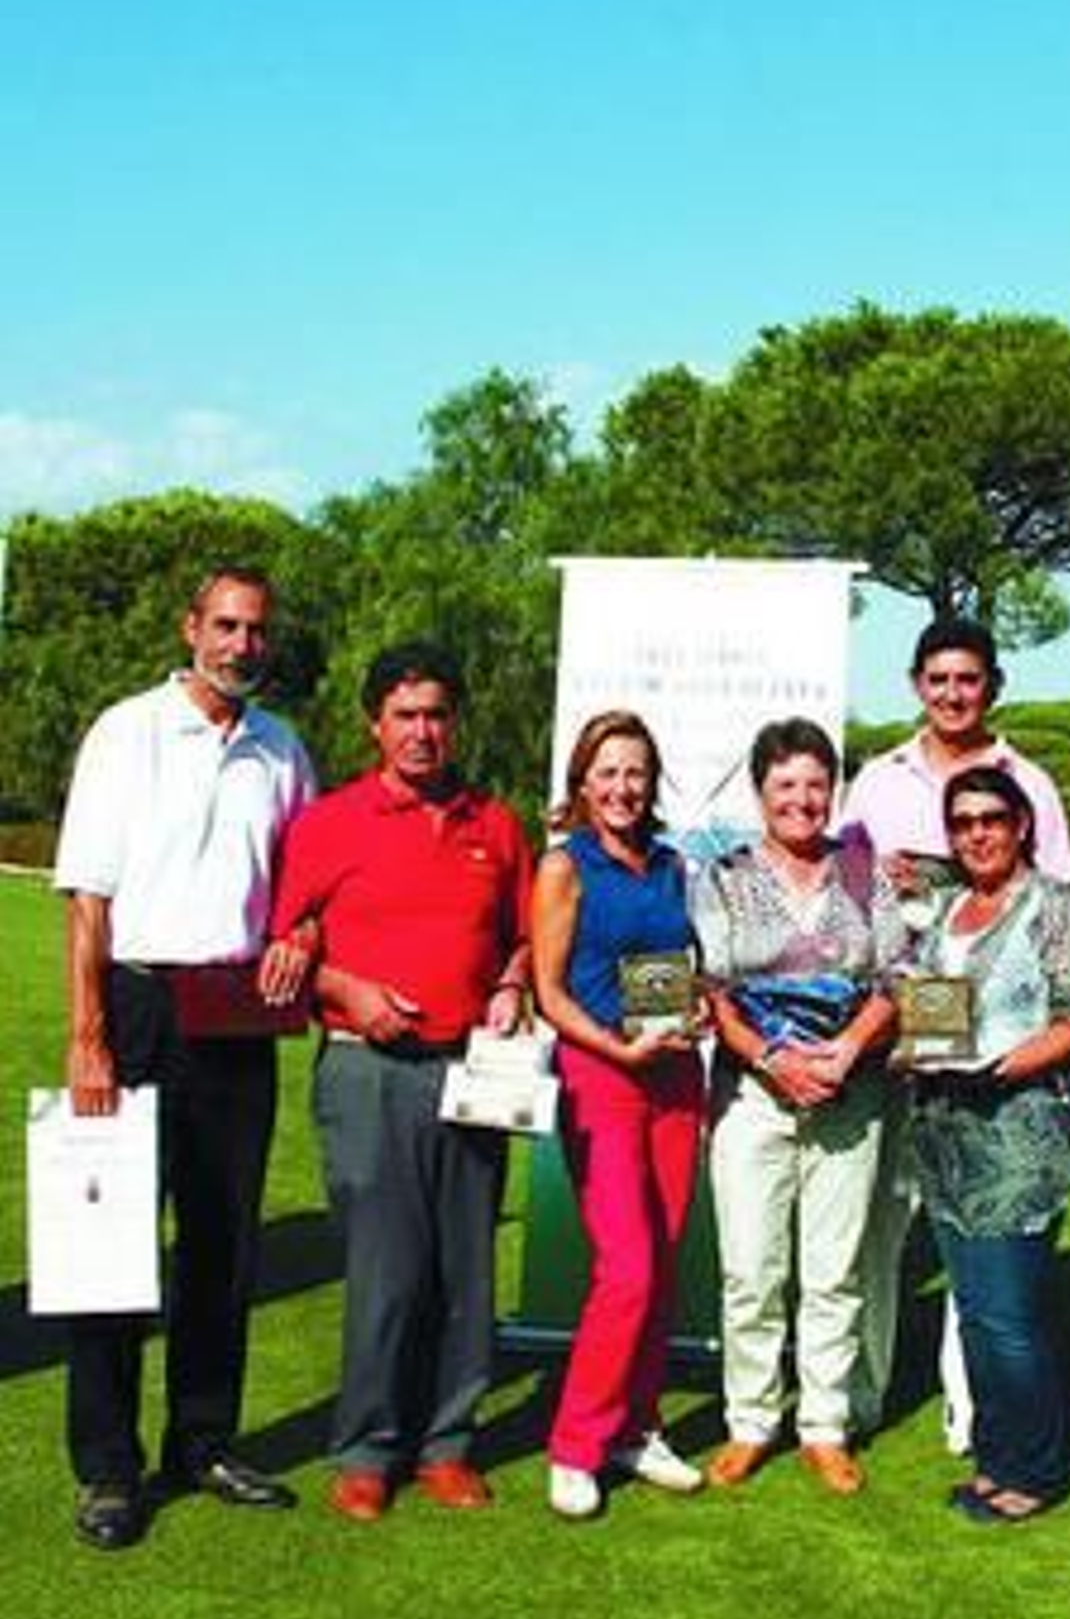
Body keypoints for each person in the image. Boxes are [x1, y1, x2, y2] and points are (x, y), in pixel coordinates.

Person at [53, 564, 317, 1550]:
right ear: (191, 628)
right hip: (137, 1004)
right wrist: (89, 1035)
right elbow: (87, 894)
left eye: (256, 630)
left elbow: (305, 887)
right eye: (225, 625)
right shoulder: (126, 731)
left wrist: (305, 930)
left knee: (223, 1242)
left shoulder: (283, 749)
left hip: (239, 1012)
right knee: (111, 1248)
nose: (241, 644)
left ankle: (201, 1440)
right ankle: (109, 1467)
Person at [269, 641, 533, 1522]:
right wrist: (345, 988)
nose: (423, 731)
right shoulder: (326, 822)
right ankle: (368, 1448)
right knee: (386, 1268)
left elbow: (525, 937)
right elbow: (285, 950)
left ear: (455, 722)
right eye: (405, 715)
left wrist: (509, 982)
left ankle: (447, 1444)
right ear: (373, 724)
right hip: (365, 1068)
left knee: (466, 1266)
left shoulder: (493, 823)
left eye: (436, 715)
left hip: (470, 1072)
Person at [841, 616, 1070, 1453]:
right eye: (937, 679)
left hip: (994, 1061)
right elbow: (845, 896)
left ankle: (973, 1411)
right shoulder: (874, 779)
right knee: (882, 1228)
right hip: (891, 1039)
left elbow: (1053, 906)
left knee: (976, 1234)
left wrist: (940, 877)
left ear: (993, 686)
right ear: (916, 685)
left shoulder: (1031, 783)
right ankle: (859, 1395)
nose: (952, 694)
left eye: (967, 679)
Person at [693, 718, 904, 1495]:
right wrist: (773, 1059)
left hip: (851, 1092)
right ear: (761, 793)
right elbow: (710, 988)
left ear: (833, 791)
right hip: (754, 1093)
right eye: (786, 785)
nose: (803, 800)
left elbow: (895, 980)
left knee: (834, 1268)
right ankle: (750, 1420)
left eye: (817, 784)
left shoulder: (864, 873)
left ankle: (823, 1424)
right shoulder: (722, 878)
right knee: (751, 1268)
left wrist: (845, 1052)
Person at [905, 767, 1070, 1523]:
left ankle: (1039, 1464)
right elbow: (924, 1001)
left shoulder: (1058, 909)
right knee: (975, 1307)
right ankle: (998, 1454)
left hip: (1018, 1134)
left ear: (1023, 822)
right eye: (961, 822)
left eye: (992, 817)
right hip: (941, 1134)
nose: (977, 833)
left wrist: (998, 1066)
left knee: (1009, 1314)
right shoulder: (949, 908)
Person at [532, 710, 708, 1521]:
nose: (622, 787)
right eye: (607, 772)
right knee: (627, 1265)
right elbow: (550, 991)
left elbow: (683, 969)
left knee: (663, 1261)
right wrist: (614, 1045)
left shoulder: (672, 866)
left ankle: (640, 1424)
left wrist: (697, 1013)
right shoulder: (565, 867)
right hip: (599, 1073)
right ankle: (576, 1443)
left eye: (635, 771)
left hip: (673, 1075)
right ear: (581, 780)